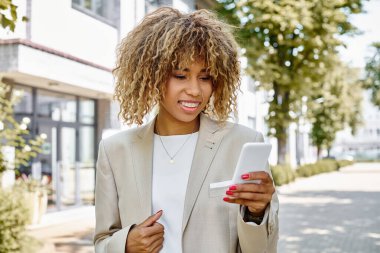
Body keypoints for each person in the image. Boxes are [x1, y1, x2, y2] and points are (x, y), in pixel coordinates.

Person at [94, 7, 279, 253]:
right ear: (152, 76)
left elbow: (262, 249)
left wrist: (257, 213)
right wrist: (125, 244)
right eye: (180, 75)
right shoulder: (115, 150)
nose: (194, 90)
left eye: (205, 78)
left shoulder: (242, 143)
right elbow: (102, 241)